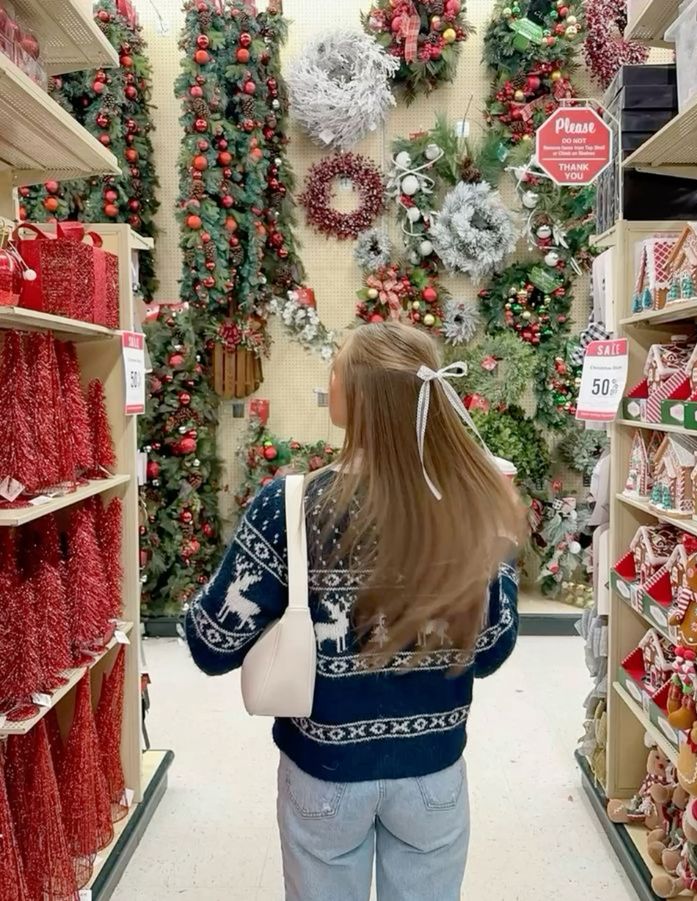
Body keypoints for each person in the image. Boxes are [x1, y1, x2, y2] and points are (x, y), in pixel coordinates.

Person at [185, 322, 526, 901]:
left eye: (335, 369)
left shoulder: (289, 506)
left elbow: (209, 646)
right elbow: (491, 648)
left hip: (325, 772)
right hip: (433, 772)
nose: (330, 379)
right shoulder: (471, 503)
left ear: (359, 397)